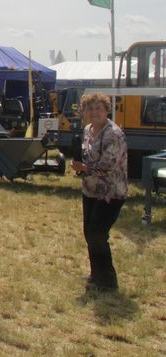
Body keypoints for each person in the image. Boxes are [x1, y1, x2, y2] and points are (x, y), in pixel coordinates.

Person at [70, 92, 127, 292]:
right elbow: (87, 156)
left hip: (111, 192)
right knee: (90, 233)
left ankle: (108, 281)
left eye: (98, 108)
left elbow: (107, 166)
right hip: (91, 190)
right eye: (90, 108)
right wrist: (79, 164)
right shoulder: (88, 129)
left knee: (97, 233)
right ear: (84, 112)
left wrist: (83, 167)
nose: (94, 112)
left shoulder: (113, 134)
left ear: (106, 110)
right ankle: (96, 274)